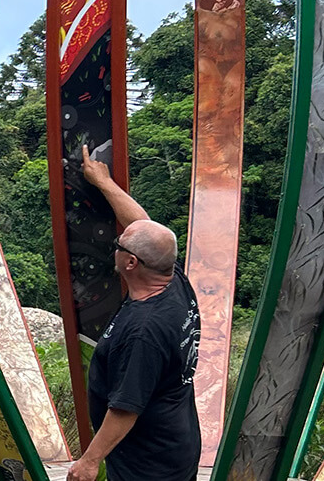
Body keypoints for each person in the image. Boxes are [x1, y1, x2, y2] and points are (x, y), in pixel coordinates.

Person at [68, 146, 201, 481]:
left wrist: (89, 461)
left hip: (148, 461)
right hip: (175, 439)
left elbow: (125, 408)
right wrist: (103, 182)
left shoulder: (144, 331)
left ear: (130, 263)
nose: (117, 242)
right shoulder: (172, 279)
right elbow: (141, 225)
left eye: (119, 244)